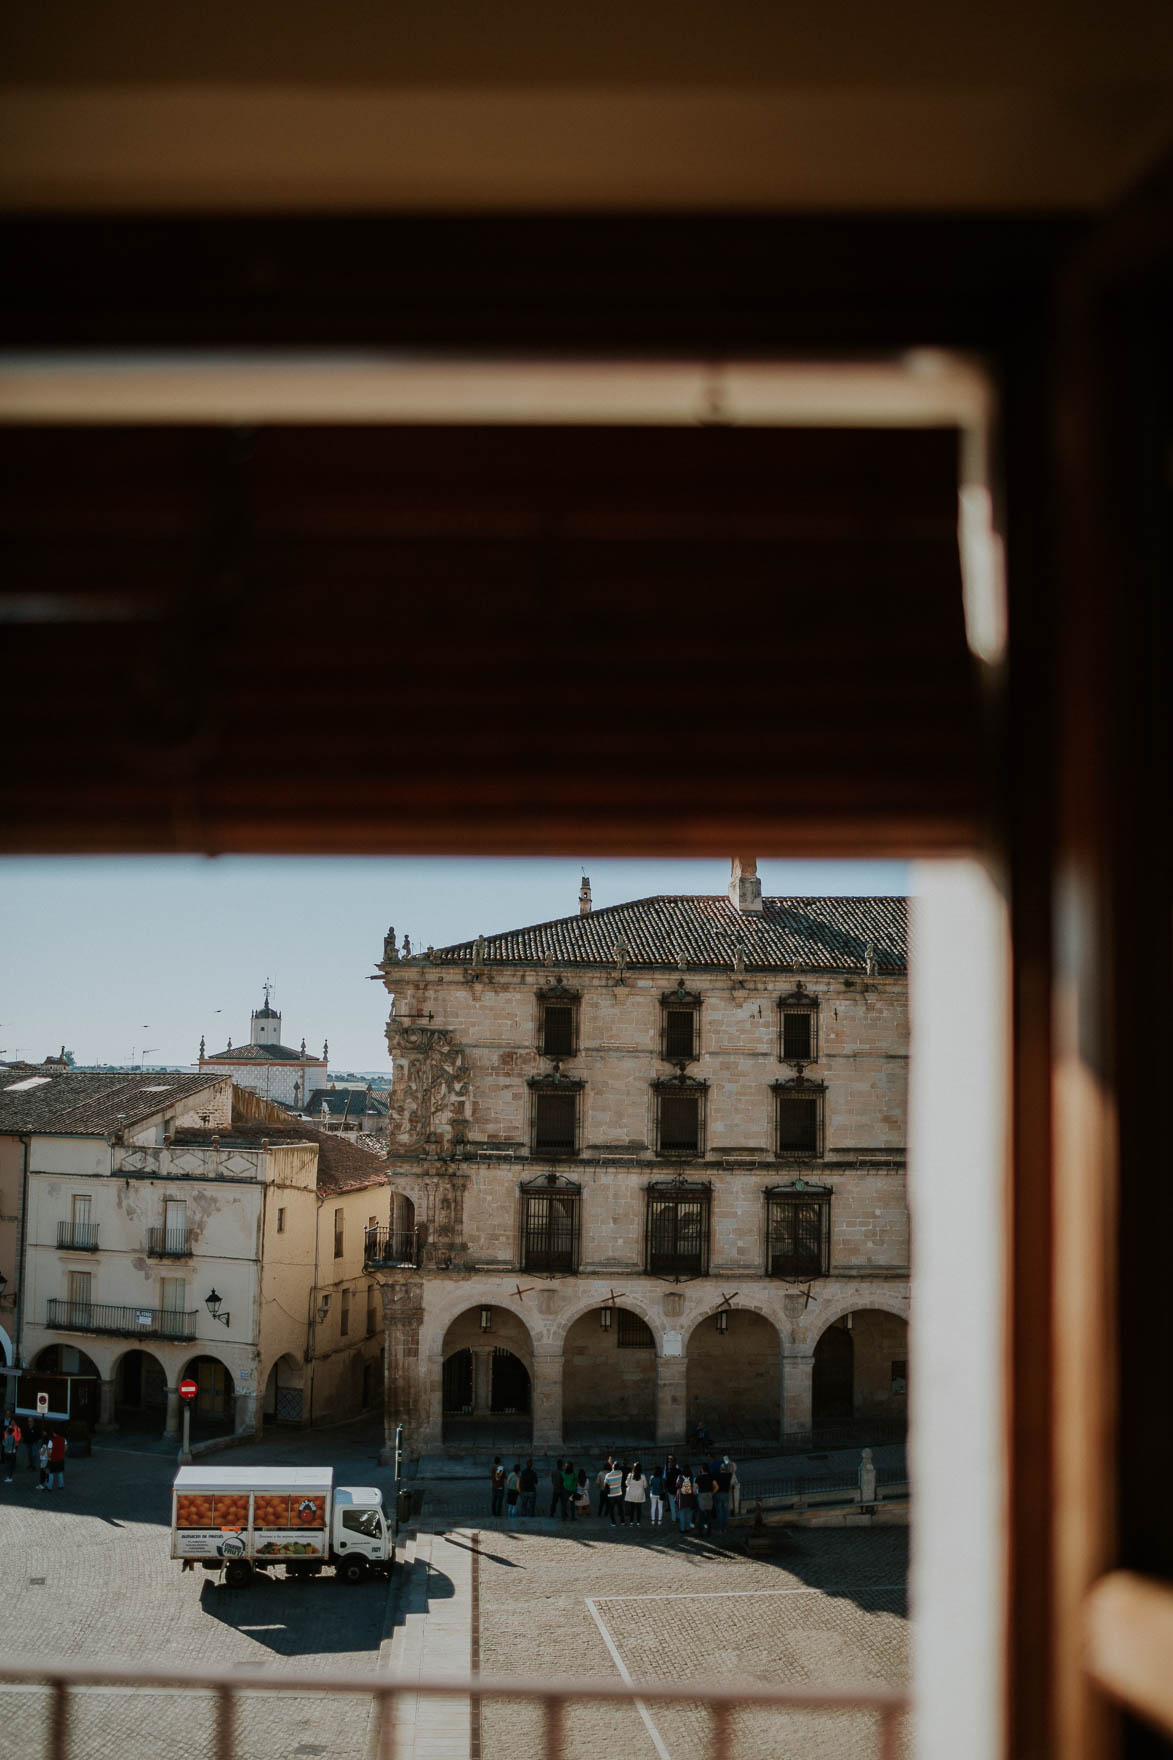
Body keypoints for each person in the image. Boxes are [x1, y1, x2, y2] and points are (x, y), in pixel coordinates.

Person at [624, 1461, 647, 1526]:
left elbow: (627, 1484)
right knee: (639, 1509)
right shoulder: (643, 1476)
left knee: (632, 1509)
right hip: (639, 1494)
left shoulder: (630, 1475)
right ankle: (638, 1522)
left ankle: (631, 1522)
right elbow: (645, 1486)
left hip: (631, 1494)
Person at [604, 1457, 625, 1525]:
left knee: (611, 1510)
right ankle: (622, 1522)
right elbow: (615, 1469)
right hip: (619, 1494)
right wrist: (611, 1464)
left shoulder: (608, 1475)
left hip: (611, 1495)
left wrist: (610, 1463)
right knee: (620, 1509)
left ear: (613, 1467)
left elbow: (605, 1485)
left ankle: (613, 1523)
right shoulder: (620, 1473)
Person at [696, 1470, 715, 1535]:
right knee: (709, 1514)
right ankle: (709, 1531)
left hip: (702, 1496)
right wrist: (712, 1493)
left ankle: (701, 1532)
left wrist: (696, 1494)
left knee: (701, 1515)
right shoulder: (711, 1477)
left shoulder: (698, 1478)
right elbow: (717, 1486)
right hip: (709, 1495)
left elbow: (694, 1488)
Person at [715, 1457, 732, 1528]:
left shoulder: (717, 1475)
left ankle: (720, 1526)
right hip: (726, 1494)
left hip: (718, 1494)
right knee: (725, 1512)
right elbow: (730, 1466)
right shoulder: (729, 1475)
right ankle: (725, 1526)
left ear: (720, 1469)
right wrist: (726, 1459)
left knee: (719, 1512)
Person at [2, 1414, 20, 1483]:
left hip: (9, 1450)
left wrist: (4, 1441)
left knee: (9, 1463)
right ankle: (10, 1475)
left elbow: (5, 1443)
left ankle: (9, 1477)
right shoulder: (11, 1435)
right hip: (13, 1449)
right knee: (11, 1463)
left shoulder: (10, 1436)